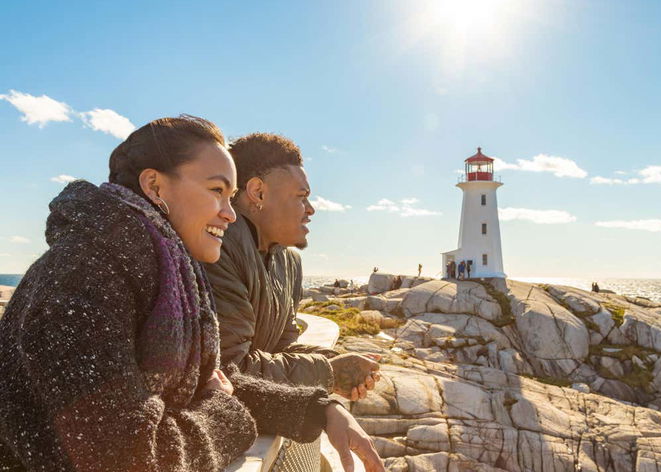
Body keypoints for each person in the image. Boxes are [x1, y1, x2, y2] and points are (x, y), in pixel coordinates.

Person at [0, 116, 382, 472]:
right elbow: (130, 457)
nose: (231, 214)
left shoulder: (163, 271)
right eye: (217, 191)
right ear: (154, 186)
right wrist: (223, 414)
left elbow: (212, 383)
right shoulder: (81, 277)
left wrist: (319, 409)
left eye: (231, 197)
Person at [204, 133, 380, 402]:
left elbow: (280, 347)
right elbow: (227, 369)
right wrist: (329, 372)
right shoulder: (216, 248)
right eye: (301, 197)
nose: (310, 210)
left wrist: (336, 360)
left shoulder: (289, 260)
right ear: (258, 192)